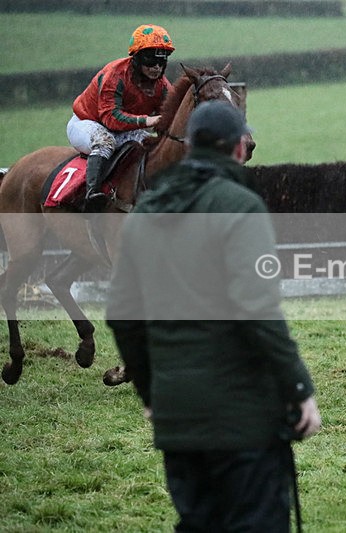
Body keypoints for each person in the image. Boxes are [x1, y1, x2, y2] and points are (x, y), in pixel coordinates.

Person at [106, 100, 322, 532]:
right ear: (239, 149)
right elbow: (256, 309)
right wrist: (299, 387)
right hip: (241, 417)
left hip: (177, 417)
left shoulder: (146, 212)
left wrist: (152, 393)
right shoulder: (239, 205)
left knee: (197, 522)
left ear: (189, 148)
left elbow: (122, 316)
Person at [68, 24, 175, 212]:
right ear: (137, 58)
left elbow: (171, 115)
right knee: (105, 141)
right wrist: (146, 121)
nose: (156, 67)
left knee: (151, 144)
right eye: (151, 61)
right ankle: (92, 194)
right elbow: (110, 118)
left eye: (161, 61)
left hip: (123, 129)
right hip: (87, 123)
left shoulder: (162, 85)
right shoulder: (115, 75)